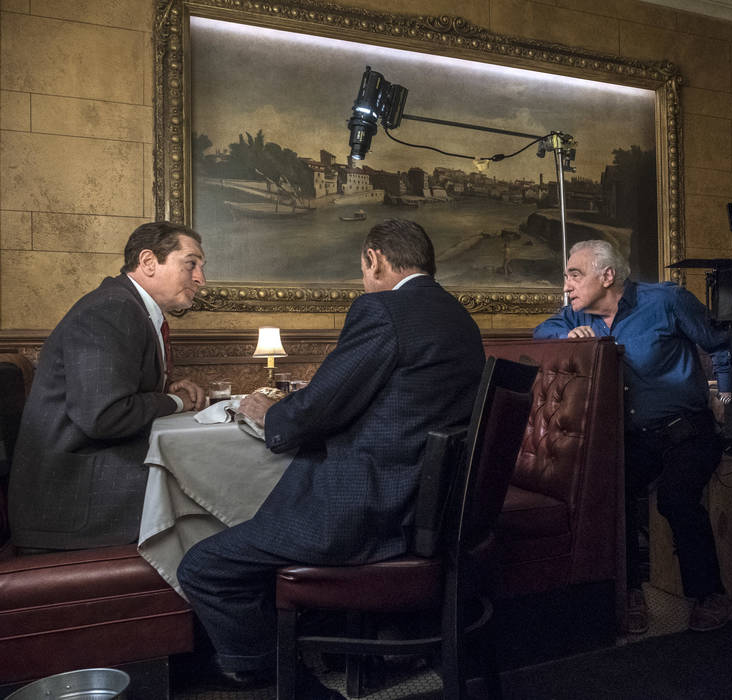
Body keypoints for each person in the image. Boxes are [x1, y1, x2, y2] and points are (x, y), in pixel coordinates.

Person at [177, 219, 485, 691]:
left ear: (374, 259)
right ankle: (326, 646)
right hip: (430, 509)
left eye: (363, 267)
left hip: (365, 511)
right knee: (259, 523)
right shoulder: (459, 318)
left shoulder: (383, 309)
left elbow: (323, 403)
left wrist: (268, 413)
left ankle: (280, 679)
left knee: (203, 565)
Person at [534, 240, 732, 633]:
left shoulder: (666, 300)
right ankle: (629, 594)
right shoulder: (576, 316)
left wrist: (725, 393)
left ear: (607, 276)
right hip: (633, 438)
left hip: (687, 431)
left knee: (676, 499)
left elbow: (722, 341)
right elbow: (542, 332)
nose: (567, 286)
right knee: (609, 496)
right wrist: (565, 338)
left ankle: (709, 594)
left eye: (574, 275)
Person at [7, 221, 207, 551]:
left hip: (84, 483)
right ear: (148, 262)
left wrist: (167, 387)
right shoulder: (112, 308)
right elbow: (105, 415)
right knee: (218, 500)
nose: (200, 278)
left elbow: (113, 386)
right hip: (73, 503)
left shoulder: (128, 306)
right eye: (191, 264)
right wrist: (176, 402)